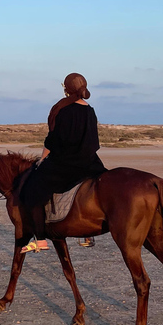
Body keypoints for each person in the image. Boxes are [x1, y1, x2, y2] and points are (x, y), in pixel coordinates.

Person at [19, 73, 106, 253]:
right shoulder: (90, 110)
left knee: (32, 189)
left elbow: (54, 140)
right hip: (90, 162)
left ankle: (40, 240)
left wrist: (43, 159)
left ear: (67, 89)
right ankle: (87, 233)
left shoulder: (63, 110)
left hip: (66, 162)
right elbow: (93, 141)